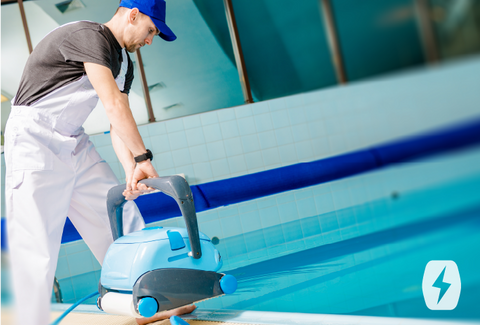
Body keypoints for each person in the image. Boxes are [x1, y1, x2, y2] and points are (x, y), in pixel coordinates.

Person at [4, 0, 195, 324]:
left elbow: (116, 124)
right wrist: (143, 158)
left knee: (121, 216)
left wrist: (131, 169)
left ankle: (151, 299)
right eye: (151, 30)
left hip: (73, 142)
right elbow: (112, 105)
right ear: (133, 14)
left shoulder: (124, 64)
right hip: (34, 139)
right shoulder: (89, 35)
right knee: (36, 246)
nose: (150, 41)